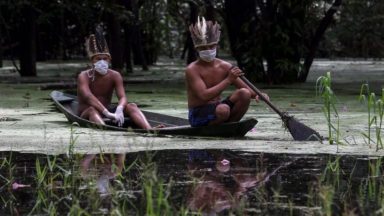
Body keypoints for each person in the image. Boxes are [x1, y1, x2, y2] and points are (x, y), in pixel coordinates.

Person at [186, 17, 269, 127]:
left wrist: (259, 94)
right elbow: (204, 96)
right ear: (197, 49)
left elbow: (247, 89)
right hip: (198, 114)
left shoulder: (225, 66)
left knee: (244, 93)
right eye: (203, 48)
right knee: (223, 110)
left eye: (211, 46)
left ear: (216, 45)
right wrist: (228, 80)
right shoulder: (192, 69)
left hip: (218, 108)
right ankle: (212, 127)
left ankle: (230, 125)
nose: (208, 50)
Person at [77, 27, 151, 129]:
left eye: (105, 59)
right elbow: (88, 97)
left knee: (132, 106)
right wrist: (107, 113)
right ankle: (106, 131)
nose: (102, 62)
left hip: (108, 112)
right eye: (98, 59)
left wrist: (120, 108)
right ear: (92, 61)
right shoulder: (83, 76)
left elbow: (123, 97)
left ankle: (149, 129)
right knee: (92, 110)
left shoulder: (115, 75)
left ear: (109, 60)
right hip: (87, 113)